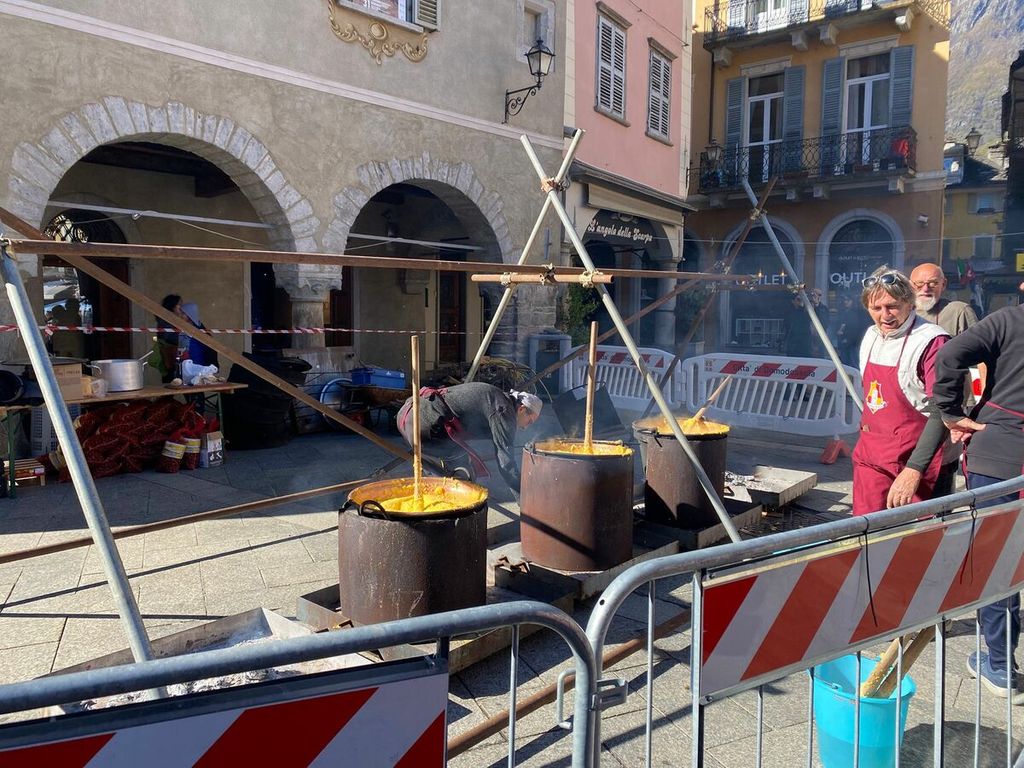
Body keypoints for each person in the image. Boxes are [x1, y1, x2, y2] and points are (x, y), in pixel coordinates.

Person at [932, 280, 1024, 704]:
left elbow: (950, 354)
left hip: (999, 459)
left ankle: (1000, 666)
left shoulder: (1009, 319)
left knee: (997, 560)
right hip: (1004, 457)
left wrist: (951, 412)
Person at [851, 266, 956, 516]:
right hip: (871, 455)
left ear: (910, 303)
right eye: (876, 308)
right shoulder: (871, 336)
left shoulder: (932, 341)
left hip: (916, 457)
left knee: (915, 535)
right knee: (864, 530)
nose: (884, 315)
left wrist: (914, 469)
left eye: (892, 306)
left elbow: (942, 409)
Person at [397, 382, 542, 494]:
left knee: (447, 469)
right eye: (529, 421)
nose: (525, 428)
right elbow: (506, 463)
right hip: (422, 421)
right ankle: (451, 505)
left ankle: (439, 489)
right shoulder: (503, 410)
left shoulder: (497, 398)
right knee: (461, 471)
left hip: (407, 415)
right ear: (522, 409)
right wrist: (524, 498)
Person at [910, 261, 985, 397]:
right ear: (910, 286)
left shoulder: (958, 311)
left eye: (933, 283)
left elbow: (980, 359)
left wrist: (979, 397)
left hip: (950, 397)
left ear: (943, 284)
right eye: (919, 284)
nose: (925, 289)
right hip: (912, 396)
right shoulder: (901, 314)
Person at [833, 291, 868, 367]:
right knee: (844, 364)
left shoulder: (855, 313)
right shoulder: (843, 312)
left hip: (852, 343)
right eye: (844, 300)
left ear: (852, 301)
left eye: (847, 300)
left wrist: (847, 339)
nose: (845, 302)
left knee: (853, 363)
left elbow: (855, 328)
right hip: (843, 342)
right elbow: (839, 324)